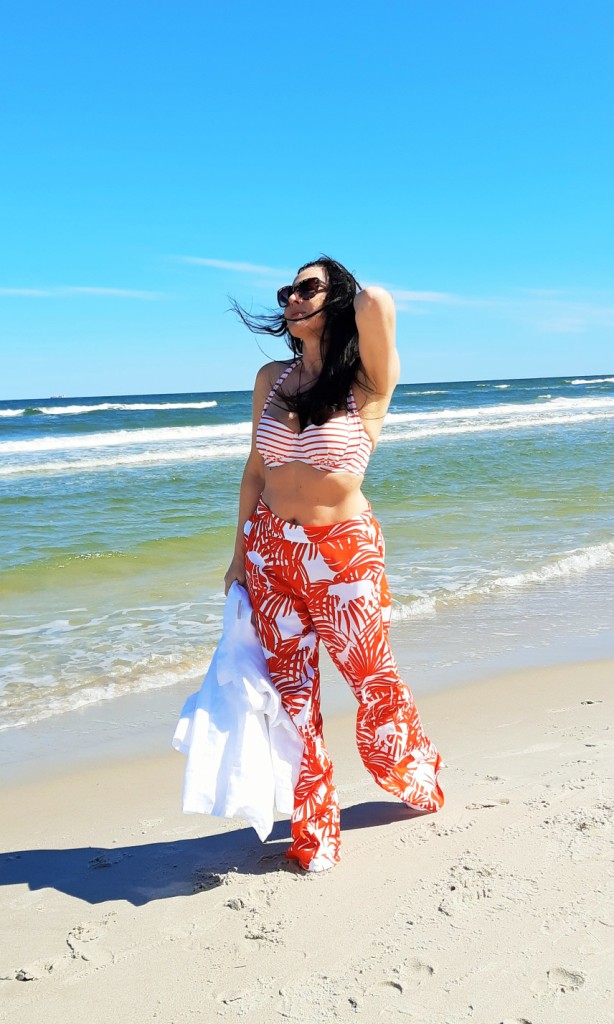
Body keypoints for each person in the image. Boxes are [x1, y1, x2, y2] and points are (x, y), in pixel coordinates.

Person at [224, 256, 444, 872]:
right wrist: (239, 556)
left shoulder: (368, 381)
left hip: (343, 554)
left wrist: (346, 295)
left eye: (306, 288)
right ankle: (314, 830)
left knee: (374, 682)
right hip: (271, 552)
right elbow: (254, 471)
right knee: (292, 696)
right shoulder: (272, 378)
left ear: (337, 298)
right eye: (287, 291)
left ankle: (410, 771)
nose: (291, 299)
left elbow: (378, 303)